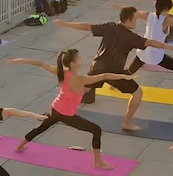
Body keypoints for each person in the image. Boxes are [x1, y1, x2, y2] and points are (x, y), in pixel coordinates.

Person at [9, 49, 137, 168]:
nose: (81, 60)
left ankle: (20, 146)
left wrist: (20, 60)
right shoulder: (80, 79)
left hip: (55, 108)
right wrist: (124, 77)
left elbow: (40, 64)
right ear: (72, 63)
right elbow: (104, 76)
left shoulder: (61, 73)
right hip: (66, 114)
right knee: (96, 130)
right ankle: (98, 162)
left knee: (41, 128)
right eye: (78, 59)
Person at [46, 9, 155, 131]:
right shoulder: (130, 36)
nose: (136, 22)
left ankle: (54, 112)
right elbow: (149, 43)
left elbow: (87, 26)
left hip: (98, 67)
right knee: (137, 93)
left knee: (84, 88)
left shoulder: (109, 26)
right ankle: (127, 123)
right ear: (129, 20)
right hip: (113, 71)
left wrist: (65, 24)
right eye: (135, 19)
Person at [126, 0, 173, 92]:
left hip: (143, 51)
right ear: (167, 9)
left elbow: (133, 12)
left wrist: (119, 7)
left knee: (130, 71)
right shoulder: (166, 21)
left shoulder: (148, 15)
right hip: (155, 55)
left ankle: (118, 83)